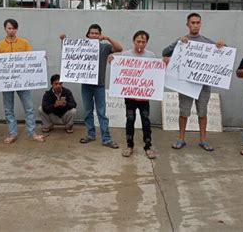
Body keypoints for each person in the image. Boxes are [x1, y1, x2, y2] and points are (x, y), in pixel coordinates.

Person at [162, 13, 225, 152]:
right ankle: (181, 138)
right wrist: (177, 43)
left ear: (200, 24)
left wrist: (221, 47)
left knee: (202, 112)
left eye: (198, 23)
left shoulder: (208, 42)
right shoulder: (182, 41)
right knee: (184, 112)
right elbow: (165, 52)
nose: (195, 25)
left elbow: (220, 56)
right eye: (192, 23)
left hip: (203, 85)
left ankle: (203, 140)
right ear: (188, 24)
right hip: (185, 84)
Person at [60, 23, 123, 148]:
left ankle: (106, 138)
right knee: (88, 111)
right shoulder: (81, 47)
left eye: (96, 33)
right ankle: (91, 134)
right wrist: (63, 41)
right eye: (92, 33)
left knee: (101, 112)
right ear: (88, 35)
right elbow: (70, 55)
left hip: (99, 85)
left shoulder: (104, 47)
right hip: (86, 85)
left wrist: (108, 38)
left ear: (100, 35)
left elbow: (119, 48)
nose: (94, 35)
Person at [0, 19, 45, 143]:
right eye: (9, 28)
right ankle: (12, 134)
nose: (11, 30)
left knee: (29, 108)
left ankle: (32, 133)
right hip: (7, 82)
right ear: (5, 29)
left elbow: (30, 59)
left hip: (23, 81)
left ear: (17, 29)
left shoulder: (24, 43)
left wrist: (41, 59)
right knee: (8, 109)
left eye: (13, 28)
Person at [109, 30, 156, 159]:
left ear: (147, 42)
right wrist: (112, 60)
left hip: (144, 97)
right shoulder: (125, 55)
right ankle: (130, 145)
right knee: (130, 120)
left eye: (143, 41)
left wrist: (164, 62)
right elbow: (118, 69)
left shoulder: (151, 56)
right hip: (130, 96)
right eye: (138, 41)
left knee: (146, 121)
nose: (140, 44)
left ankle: (148, 146)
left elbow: (155, 74)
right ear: (133, 41)